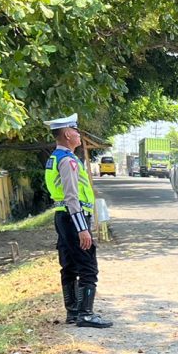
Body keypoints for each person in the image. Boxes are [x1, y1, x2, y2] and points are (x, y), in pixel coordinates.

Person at [43, 113, 112, 328]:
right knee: (88, 265)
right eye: (75, 131)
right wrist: (83, 228)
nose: (79, 135)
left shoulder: (54, 157)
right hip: (74, 217)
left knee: (70, 265)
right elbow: (72, 196)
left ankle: (73, 312)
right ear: (66, 134)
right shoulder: (68, 161)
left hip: (63, 217)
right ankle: (86, 314)